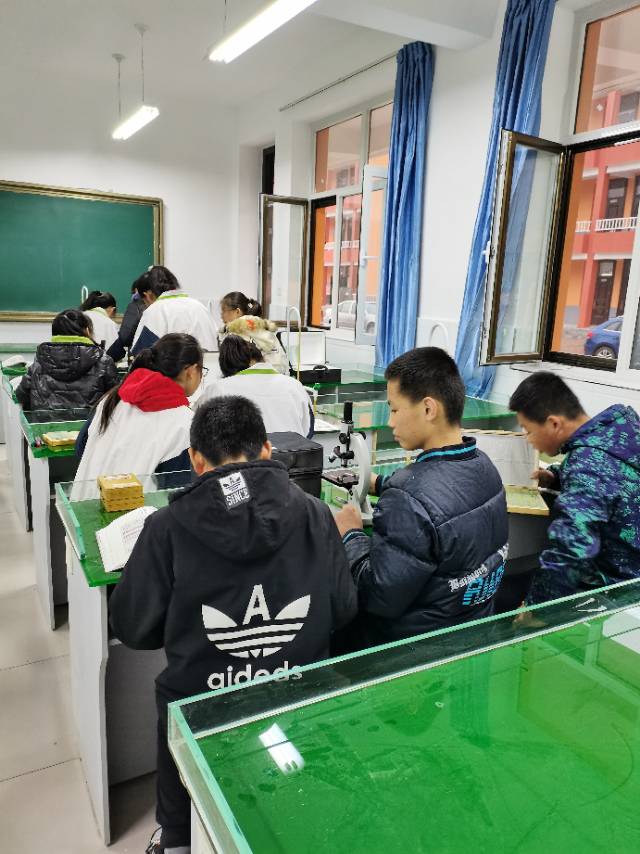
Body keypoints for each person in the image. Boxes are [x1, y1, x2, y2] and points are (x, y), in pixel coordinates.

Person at [109, 395, 357, 854]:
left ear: (196, 460)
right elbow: (343, 609)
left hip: (200, 709)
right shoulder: (316, 513)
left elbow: (133, 628)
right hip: (298, 699)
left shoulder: (166, 527)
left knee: (176, 705)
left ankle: (178, 838)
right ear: (267, 450)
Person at [334, 347, 508, 649]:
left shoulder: (409, 497)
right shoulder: (484, 466)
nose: (390, 422)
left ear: (428, 409)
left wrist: (351, 535)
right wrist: (381, 484)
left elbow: (377, 596)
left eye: (394, 410)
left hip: (415, 652)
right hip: (473, 636)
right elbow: (443, 498)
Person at [508, 372, 640, 604]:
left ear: (554, 423)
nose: (528, 440)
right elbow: (615, 475)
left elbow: (571, 550)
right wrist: (556, 477)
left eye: (529, 431)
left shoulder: (586, 467)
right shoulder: (620, 426)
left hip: (622, 589)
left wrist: (535, 610)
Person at [74, 333, 203, 482]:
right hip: (139, 497)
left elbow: (81, 447)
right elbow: (178, 487)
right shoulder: (184, 423)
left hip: (88, 493)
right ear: (191, 371)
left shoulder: (114, 397)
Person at [200, 335, 313, 436]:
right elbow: (308, 430)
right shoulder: (294, 385)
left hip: (241, 453)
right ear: (261, 358)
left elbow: (200, 430)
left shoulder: (218, 389)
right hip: (293, 452)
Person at [15, 308, 118, 410]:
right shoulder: (103, 361)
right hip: (90, 420)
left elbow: (21, 395)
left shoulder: (41, 359)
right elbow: (116, 399)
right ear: (87, 330)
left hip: (45, 420)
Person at [131, 265, 218, 354]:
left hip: (178, 363)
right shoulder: (200, 307)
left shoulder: (155, 311)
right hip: (211, 362)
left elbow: (141, 353)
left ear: (148, 295)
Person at [220, 291, 287, 373]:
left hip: (261, 376)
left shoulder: (239, 329)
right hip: (279, 373)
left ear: (237, 312)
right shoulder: (259, 324)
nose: (221, 315)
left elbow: (233, 365)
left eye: (224, 311)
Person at [106, 282, 146, 362]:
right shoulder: (164, 305)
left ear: (136, 290)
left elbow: (125, 337)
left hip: (141, 358)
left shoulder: (135, 306)